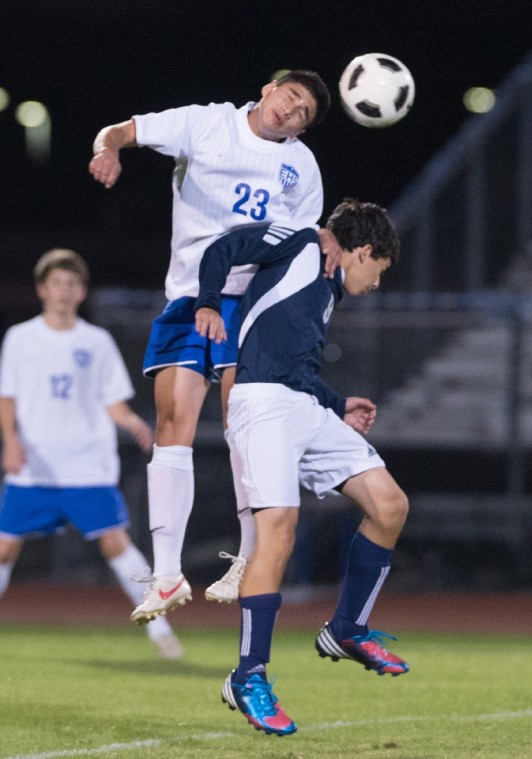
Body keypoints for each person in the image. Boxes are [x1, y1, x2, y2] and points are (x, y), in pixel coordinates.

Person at [88, 71, 338, 621]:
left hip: (248, 304)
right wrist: (107, 148)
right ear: (270, 88)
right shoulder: (205, 123)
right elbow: (120, 130)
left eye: (303, 115)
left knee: (240, 427)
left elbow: (300, 243)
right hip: (186, 299)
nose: (292, 114)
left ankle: (248, 559)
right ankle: (169, 574)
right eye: (290, 99)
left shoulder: (302, 166)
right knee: (171, 430)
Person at [194, 199, 409, 736]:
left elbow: (295, 362)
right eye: (378, 270)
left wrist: (338, 404)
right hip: (261, 403)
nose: (377, 284)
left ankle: (346, 628)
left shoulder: (327, 288)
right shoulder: (302, 242)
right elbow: (224, 247)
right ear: (362, 251)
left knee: (390, 506)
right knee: (279, 533)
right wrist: (206, 304)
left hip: (303, 406)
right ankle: (248, 676)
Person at [0, 249, 183, 659]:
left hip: (87, 467)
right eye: (56, 284)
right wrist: (10, 441)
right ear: (42, 290)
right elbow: (6, 397)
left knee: (116, 544)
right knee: (4, 548)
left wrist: (132, 422)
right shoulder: (21, 338)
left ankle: (161, 630)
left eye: (71, 284)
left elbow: (112, 401)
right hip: (34, 468)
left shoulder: (96, 342)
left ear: (81, 292)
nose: (64, 291)